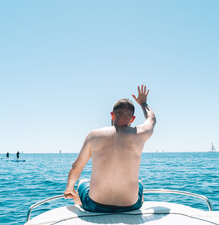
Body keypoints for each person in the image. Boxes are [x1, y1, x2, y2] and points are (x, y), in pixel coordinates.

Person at [64, 84, 156, 212]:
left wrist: (69, 189)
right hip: (130, 205)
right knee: (139, 183)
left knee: (82, 182)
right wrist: (143, 103)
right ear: (133, 118)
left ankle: (78, 200)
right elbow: (151, 118)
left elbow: (76, 168)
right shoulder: (140, 134)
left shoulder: (94, 135)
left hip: (96, 204)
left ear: (112, 115)